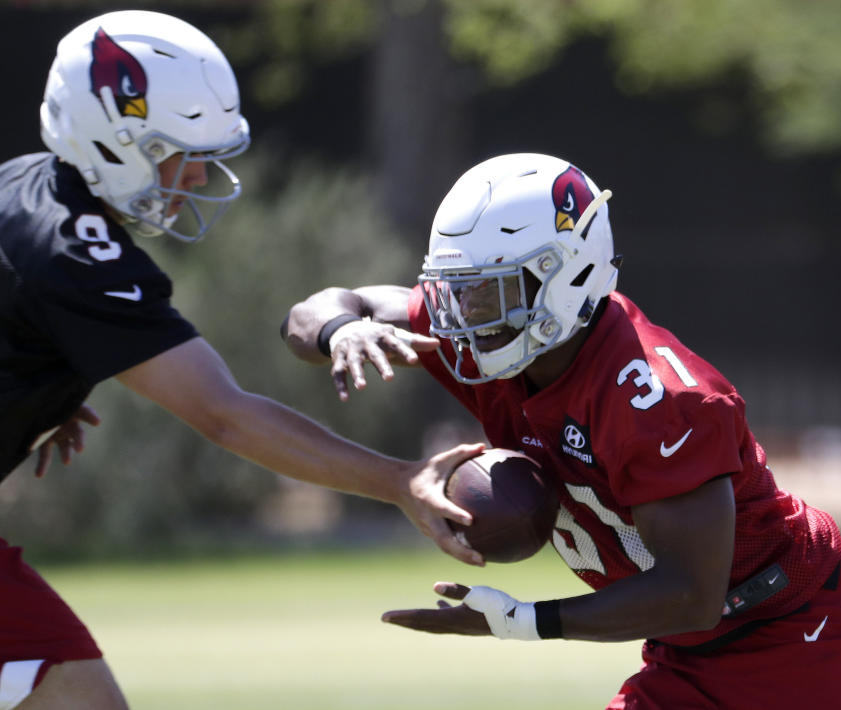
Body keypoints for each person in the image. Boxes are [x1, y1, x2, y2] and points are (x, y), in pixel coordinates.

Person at [283, 153, 841, 709]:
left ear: (566, 275)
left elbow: (691, 592)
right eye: (459, 294)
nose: (464, 320)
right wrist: (345, 329)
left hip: (811, 636)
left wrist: (527, 622)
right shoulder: (490, 340)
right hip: (691, 657)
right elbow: (318, 310)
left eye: (489, 296)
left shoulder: (658, 395)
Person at [0, 11, 484, 710]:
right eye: (178, 150)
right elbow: (226, 416)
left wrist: (39, 386)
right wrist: (398, 482)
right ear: (116, 140)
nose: (198, 171)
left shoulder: (23, 184)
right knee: (78, 697)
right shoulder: (79, 255)